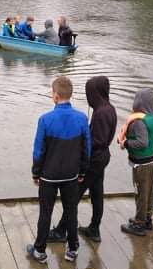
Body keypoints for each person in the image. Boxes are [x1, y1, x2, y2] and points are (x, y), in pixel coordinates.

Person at [27, 76, 91, 264]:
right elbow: (86, 149)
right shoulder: (82, 118)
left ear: (55, 96)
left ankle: (40, 251)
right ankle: (72, 249)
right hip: (71, 175)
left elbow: (38, 151)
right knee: (71, 211)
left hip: (49, 176)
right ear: (70, 94)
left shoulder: (45, 120)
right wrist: (82, 172)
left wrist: (36, 173)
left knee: (45, 213)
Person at [48, 76, 117, 244]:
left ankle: (61, 231)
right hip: (102, 157)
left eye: (89, 93)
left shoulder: (101, 113)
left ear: (95, 92)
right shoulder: (109, 108)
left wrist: (78, 145)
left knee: (74, 195)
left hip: (94, 160)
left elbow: (97, 141)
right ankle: (94, 228)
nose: (88, 97)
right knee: (97, 193)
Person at [118, 89, 153, 236]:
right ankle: (147, 219)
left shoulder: (139, 122)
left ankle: (139, 223)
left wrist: (125, 143)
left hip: (141, 165)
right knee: (149, 191)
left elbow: (142, 143)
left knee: (140, 193)